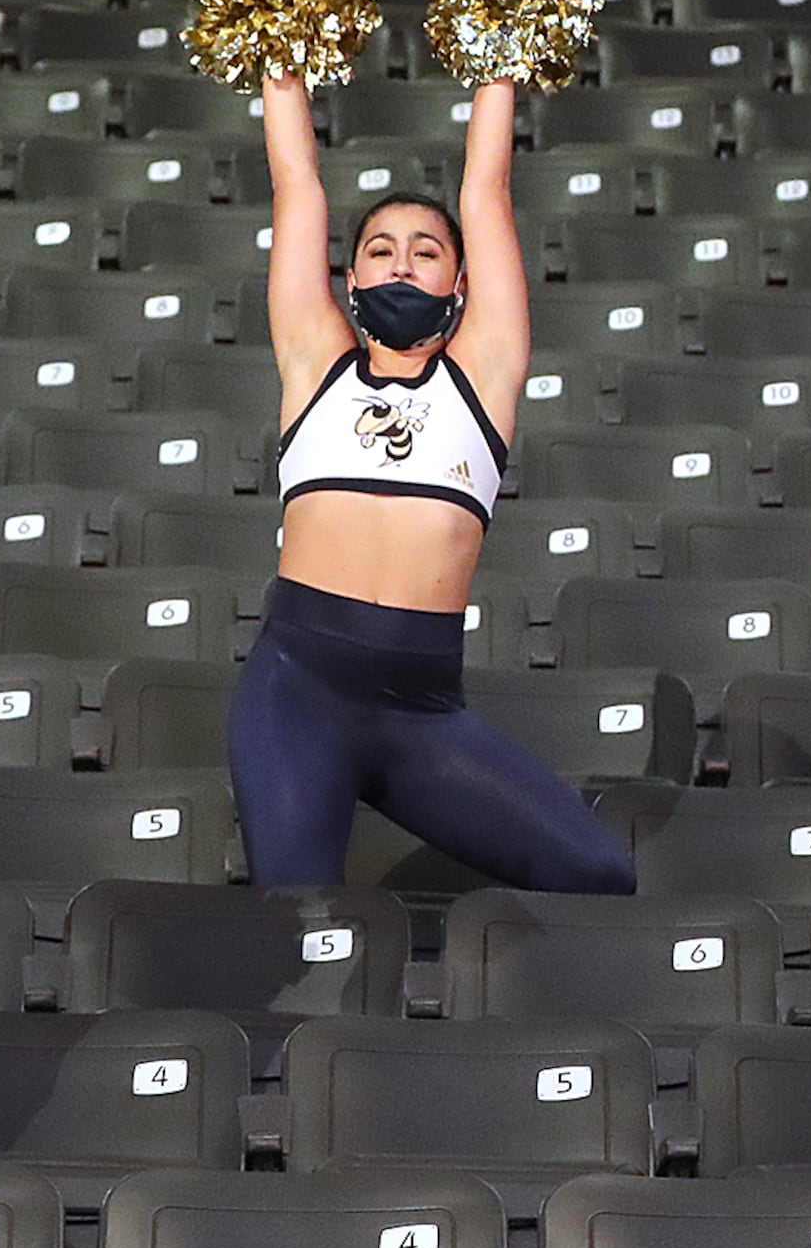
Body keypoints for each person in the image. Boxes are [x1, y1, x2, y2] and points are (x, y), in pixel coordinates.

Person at [226, 63, 638, 898]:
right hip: (295, 688)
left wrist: (499, 56)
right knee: (298, 923)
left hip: (420, 710)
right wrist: (280, 51)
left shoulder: (483, 376)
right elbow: (297, 188)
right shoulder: (315, 363)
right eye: (380, 251)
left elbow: (485, 190)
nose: (402, 266)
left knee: (599, 873)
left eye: (426, 253)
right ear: (351, 282)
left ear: (459, 285)